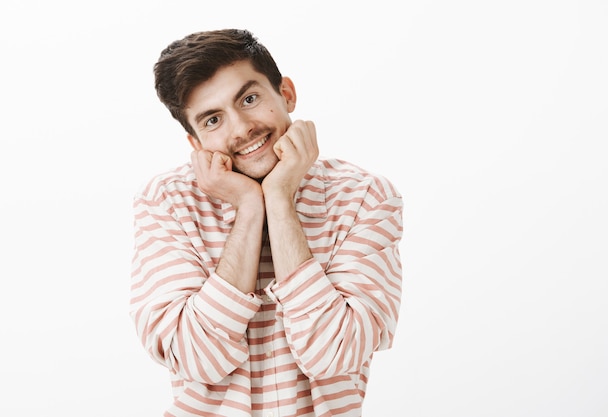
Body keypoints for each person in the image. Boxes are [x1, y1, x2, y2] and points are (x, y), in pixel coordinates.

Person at [129, 28, 404, 417]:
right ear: (195, 144)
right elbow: (197, 359)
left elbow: (335, 355)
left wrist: (279, 201)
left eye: (250, 98)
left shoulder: (364, 197)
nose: (241, 128)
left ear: (286, 93)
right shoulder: (167, 202)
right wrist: (248, 208)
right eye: (212, 120)